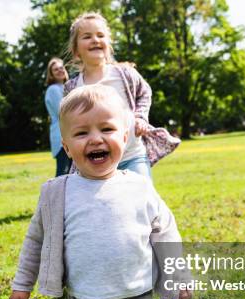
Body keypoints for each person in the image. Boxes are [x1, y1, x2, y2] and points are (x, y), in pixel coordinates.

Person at [7, 85, 190, 299]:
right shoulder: (57, 193)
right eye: (81, 133)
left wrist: (178, 277)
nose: (95, 139)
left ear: (124, 138)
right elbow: (35, 240)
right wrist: (22, 285)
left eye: (106, 129)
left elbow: (166, 233)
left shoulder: (139, 188)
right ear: (66, 146)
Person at [63, 11, 180, 179]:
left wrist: (140, 117)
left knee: (141, 196)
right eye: (87, 37)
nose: (95, 40)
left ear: (108, 44)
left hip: (132, 155)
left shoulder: (124, 74)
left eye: (100, 35)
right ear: (76, 50)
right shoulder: (72, 87)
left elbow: (144, 92)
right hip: (94, 161)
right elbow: (68, 120)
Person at [45, 57, 71, 176]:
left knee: (71, 172)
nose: (60, 70)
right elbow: (63, 112)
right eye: (56, 70)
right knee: (63, 172)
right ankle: (56, 195)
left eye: (62, 67)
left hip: (69, 134)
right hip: (61, 136)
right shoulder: (53, 89)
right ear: (51, 75)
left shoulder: (67, 87)